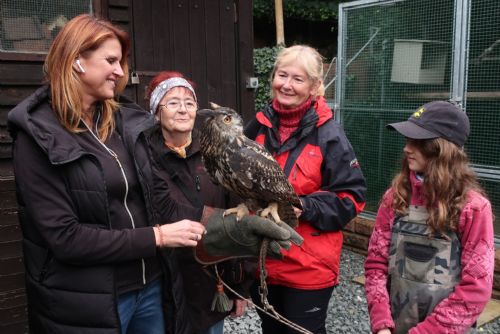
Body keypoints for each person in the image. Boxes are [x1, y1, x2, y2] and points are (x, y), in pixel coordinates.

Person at [7, 14, 299, 334]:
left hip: (151, 289)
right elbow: (64, 237)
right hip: (89, 297)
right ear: (77, 60)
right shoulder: (38, 135)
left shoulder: (125, 126)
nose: (120, 71)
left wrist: (228, 232)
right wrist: (157, 236)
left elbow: (162, 202)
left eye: (121, 61)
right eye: (111, 60)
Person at [245, 44, 367, 334]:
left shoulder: (329, 134)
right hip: (263, 262)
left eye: (297, 79)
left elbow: (352, 199)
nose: (286, 85)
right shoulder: (258, 127)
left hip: (307, 266)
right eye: (281, 75)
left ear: (314, 86)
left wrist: (304, 206)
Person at [364, 101, 494, 334]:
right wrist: (382, 324)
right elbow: (376, 263)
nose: (406, 148)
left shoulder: (473, 208)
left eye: (418, 142)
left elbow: (476, 288)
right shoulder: (395, 197)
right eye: (407, 140)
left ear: (442, 149)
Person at [145, 71, 250, 334]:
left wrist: (239, 287)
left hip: (208, 281)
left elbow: (238, 219)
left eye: (189, 103)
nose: (183, 110)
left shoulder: (215, 155)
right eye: (172, 102)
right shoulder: (143, 157)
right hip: (162, 283)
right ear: (156, 112)